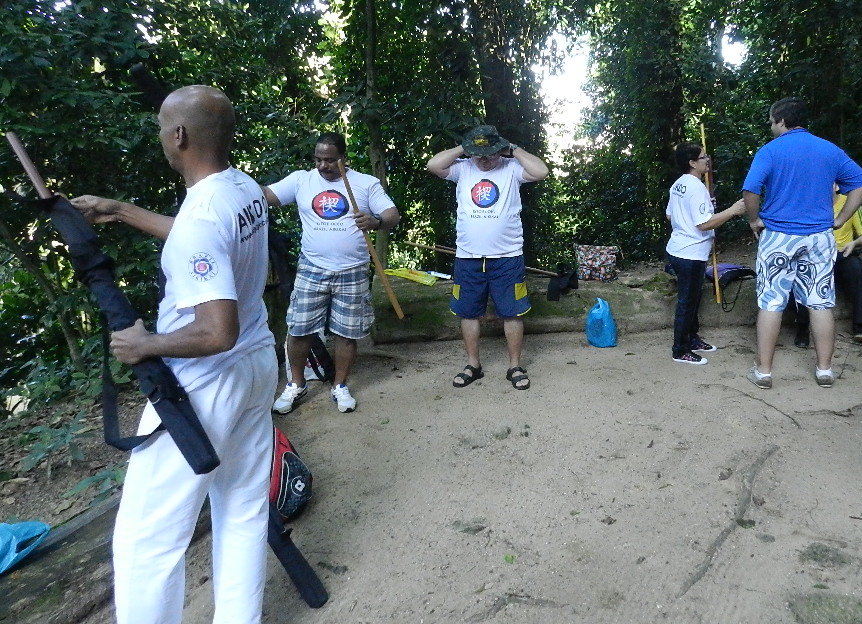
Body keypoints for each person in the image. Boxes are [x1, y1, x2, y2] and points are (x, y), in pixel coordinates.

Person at [71, 85, 277, 624]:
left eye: (163, 127)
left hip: (205, 384)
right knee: (243, 508)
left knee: (147, 540)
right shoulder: (242, 187)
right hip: (257, 366)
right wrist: (119, 210)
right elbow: (200, 237)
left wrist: (145, 345)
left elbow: (217, 332)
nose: (162, 136)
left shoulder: (203, 215)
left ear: (179, 135)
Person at [265, 132, 400, 414]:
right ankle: (296, 383)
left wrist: (375, 221)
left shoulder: (365, 183)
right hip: (312, 267)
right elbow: (266, 196)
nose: (323, 165)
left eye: (330, 160)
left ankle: (340, 385)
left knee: (346, 332)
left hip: (353, 269)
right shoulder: (301, 180)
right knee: (299, 328)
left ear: (344, 159)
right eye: (318, 159)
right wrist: (234, 183)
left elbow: (392, 215)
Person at [742, 97, 862, 389]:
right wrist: (841, 219)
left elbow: (750, 190)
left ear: (781, 120)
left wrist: (754, 220)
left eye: (772, 122)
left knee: (771, 302)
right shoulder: (829, 150)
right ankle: (824, 371)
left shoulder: (770, 150)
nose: (771, 127)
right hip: (820, 237)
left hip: (778, 236)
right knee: (820, 302)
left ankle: (764, 373)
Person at [426, 125, 549, 390]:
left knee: (512, 313)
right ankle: (473, 365)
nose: (483, 159)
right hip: (468, 256)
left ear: (499, 149)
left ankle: (515, 366)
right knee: (468, 312)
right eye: (478, 153)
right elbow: (433, 165)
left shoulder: (511, 168)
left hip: (508, 256)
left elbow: (541, 171)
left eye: (489, 153)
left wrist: (513, 150)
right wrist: (464, 147)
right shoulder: (462, 168)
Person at [665, 141, 746, 365]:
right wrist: (733, 211)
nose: (707, 160)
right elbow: (704, 224)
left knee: (693, 299)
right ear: (692, 163)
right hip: (690, 254)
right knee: (687, 302)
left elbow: (671, 215)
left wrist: (704, 206)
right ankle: (680, 350)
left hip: (678, 250)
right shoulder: (696, 187)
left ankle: (692, 339)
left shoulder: (679, 184)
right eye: (703, 157)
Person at [793, 185, 862, 347]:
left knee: (859, 270)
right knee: (799, 275)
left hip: (842, 253)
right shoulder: (807, 204)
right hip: (814, 256)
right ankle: (802, 328)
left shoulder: (850, 203)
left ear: (836, 186)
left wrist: (854, 243)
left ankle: (861, 327)